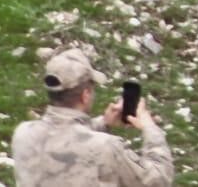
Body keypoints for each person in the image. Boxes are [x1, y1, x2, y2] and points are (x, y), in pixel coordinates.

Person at [11, 47, 173, 187]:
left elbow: (63, 137)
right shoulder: (106, 147)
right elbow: (158, 180)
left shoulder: (23, 133)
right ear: (86, 95)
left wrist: (103, 123)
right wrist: (150, 127)